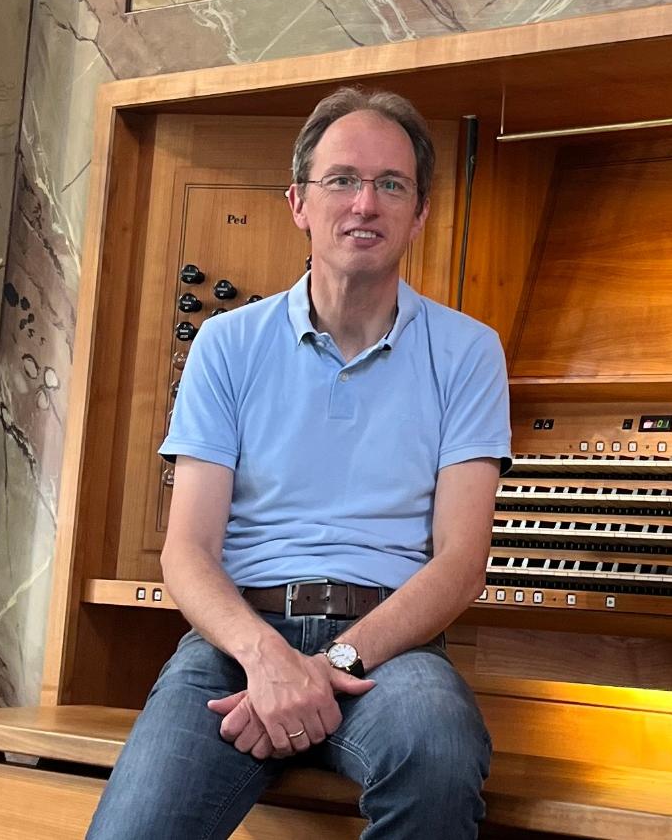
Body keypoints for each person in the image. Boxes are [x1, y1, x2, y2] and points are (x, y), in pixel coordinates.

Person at [86, 87, 510, 840]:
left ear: (418, 213)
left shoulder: (468, 351)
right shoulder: (227, 343)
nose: (364, 204)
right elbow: (186, 550)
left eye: (391, 184)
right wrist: (267, 655)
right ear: (298, 202)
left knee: (438, 748)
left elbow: (461, 560)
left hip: (388, 647)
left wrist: (329, 660)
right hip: (235, 641)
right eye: (342, 179)